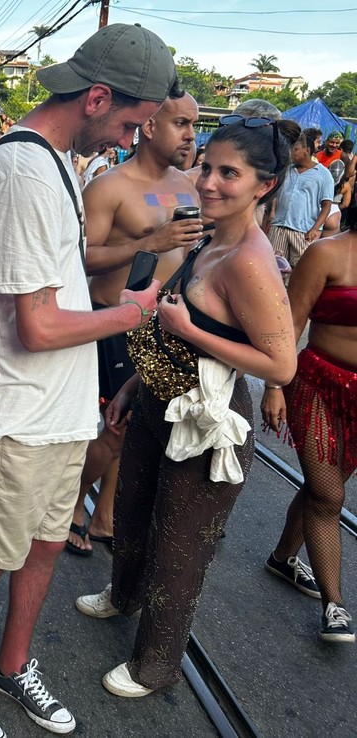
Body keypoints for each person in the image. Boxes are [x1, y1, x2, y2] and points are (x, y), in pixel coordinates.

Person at [0, 23, 173, 737]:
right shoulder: (20, 169)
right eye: (131, 123)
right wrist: (136, 312)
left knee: (45, 546)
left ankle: (11, 667)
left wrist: (143, 246)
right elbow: (36, 326)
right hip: (17, 413)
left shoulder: (54, 165)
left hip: (60, 409)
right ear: (98, 97)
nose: (131, 139)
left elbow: (67, 262)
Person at [76, 116, 298, 697]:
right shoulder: (208, 235)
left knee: (178, 546)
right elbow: (170, 325)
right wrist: (131, 388)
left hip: (207, 426)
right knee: (130, 506)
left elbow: (280, 365)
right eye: (207, 167)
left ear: (264, 186)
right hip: (158, 399)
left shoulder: (250, 260)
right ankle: (122, 594)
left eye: (230, 173)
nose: (209, 182)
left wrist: (187, 329)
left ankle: (155, 665)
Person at [66, 93, 202, 556]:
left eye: (193, 125)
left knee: (138, 429)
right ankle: (68, 504)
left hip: (163, 328)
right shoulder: (109, 186)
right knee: (114, 428)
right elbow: (80, 258)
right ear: (148, 126)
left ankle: (104, 514)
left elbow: (188, 256)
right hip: (112, 325)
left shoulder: (188, 186)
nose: (190, 135)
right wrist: (152, 240)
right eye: (181, 123)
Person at [261, 230, 357, 644]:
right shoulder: (326, 253)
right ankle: (334, 606)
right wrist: (272, 385)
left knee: (323, 489)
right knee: (328, 496)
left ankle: (283, 557)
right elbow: (291, 323)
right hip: (318, 384)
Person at [268, 128, 333, 270]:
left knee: (300, 269)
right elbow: (276, 193)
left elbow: (327, 205)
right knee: (274, 267)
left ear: (307, 150)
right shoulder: (287, 170)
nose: (292, 153)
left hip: (303, 231)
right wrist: (272, 213)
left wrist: (316, 228)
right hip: (279, 227)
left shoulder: (323, 174)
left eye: (296, 149)